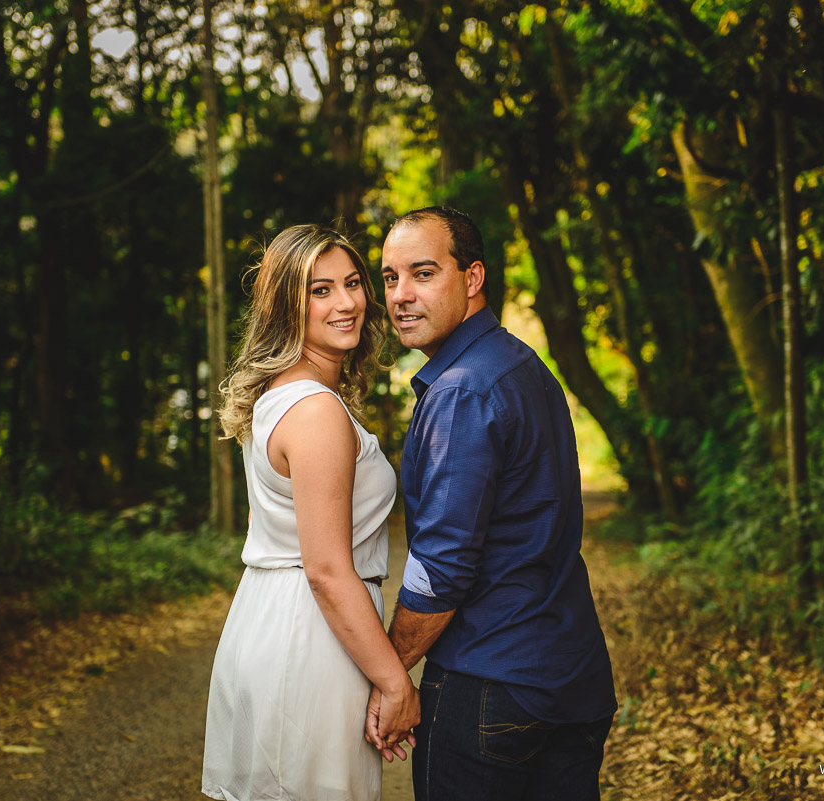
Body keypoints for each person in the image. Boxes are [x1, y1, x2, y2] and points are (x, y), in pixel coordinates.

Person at [368, 207, 618, 800]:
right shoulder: (524, 368)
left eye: (423, 273)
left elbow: (441, 570)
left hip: (490, 687)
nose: (400, 296)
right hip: (572, 679)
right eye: (389, 277)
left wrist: (389, 673)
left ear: (472, 278)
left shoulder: (461, 391)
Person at [202, 224, 419, 801]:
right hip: (310, 639)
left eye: (352, 283)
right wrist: (395, 681)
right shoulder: (317, 411)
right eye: (320, 290)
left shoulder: (279, 395)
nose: (347, 303)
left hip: (269, 618)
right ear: (286, 304)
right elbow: (326, 569)